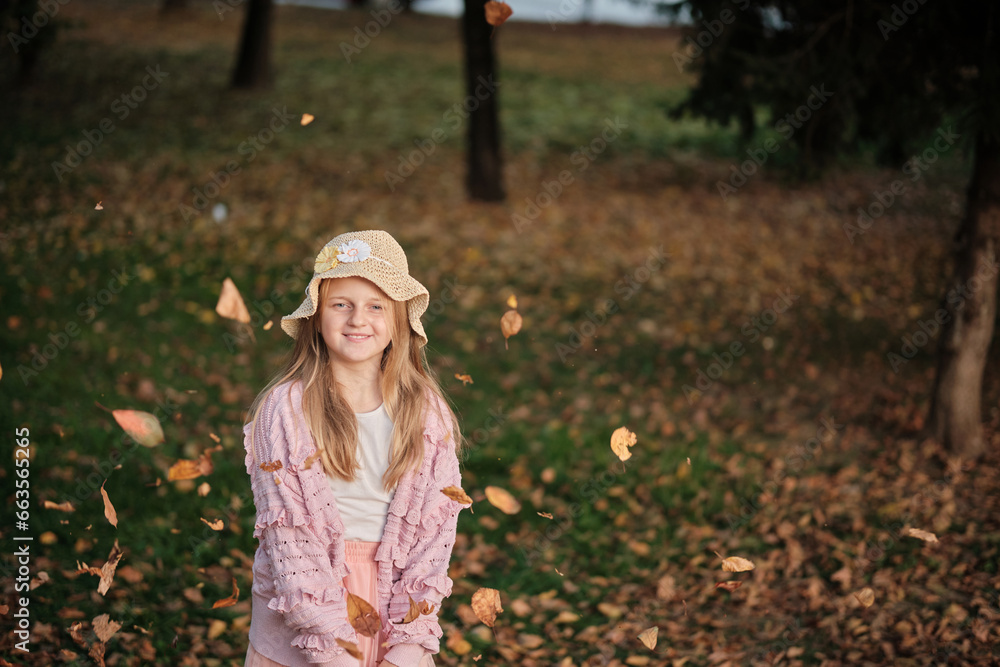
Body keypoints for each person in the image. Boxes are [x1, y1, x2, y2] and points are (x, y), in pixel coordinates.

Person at [242, 230, 471, 667]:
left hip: (393, 611)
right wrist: (334, 650)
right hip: (305, 607)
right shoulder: (287, 408)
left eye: (375, 306)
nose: (357, 319)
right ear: (317, 315)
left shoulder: (426, 413)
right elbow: (289, 538)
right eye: (340, 304)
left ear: (399, 320)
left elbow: (432, 538)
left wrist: (405, 647)